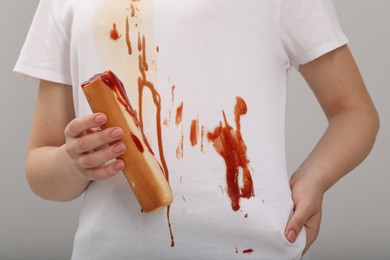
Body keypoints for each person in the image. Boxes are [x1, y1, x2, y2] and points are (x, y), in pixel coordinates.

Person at [15, 0, 379, 259]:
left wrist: (313, 179)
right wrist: (72, 162)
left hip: (257, 250)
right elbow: (39, 165)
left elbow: (355, 112)